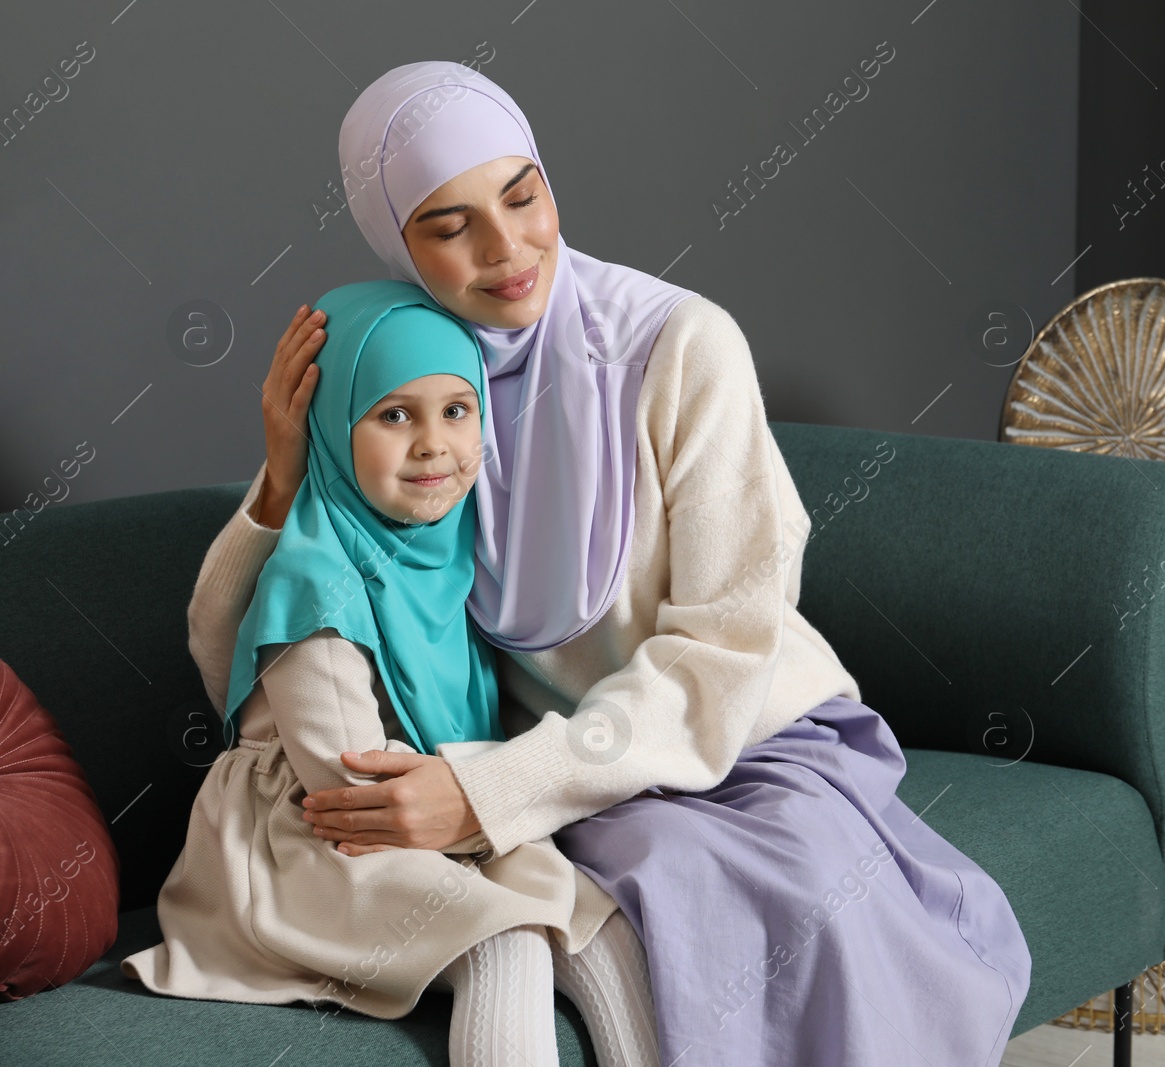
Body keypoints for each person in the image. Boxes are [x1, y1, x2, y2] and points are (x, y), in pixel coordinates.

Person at [186, 60, 1031, 1066]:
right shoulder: (406, 368)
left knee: (793, 896)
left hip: (737, 734)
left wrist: (488, 791)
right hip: (559, 774)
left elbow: (723, 653)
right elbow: (242, 652)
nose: (507, 249)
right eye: (450, 225)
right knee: (642, 884)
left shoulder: (680, 346)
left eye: (521, 193)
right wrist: (281, 482)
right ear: (396, 241)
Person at [123, 279, 655, 1066]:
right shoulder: (317, 584)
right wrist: (486, 793)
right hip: (314, 843)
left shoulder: (455, 541)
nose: (435, 444)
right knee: (503, 940)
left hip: (439, 806)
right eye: (394, 414)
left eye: (457, 409)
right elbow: (351, 788)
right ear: (334, 428)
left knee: (599, 925)